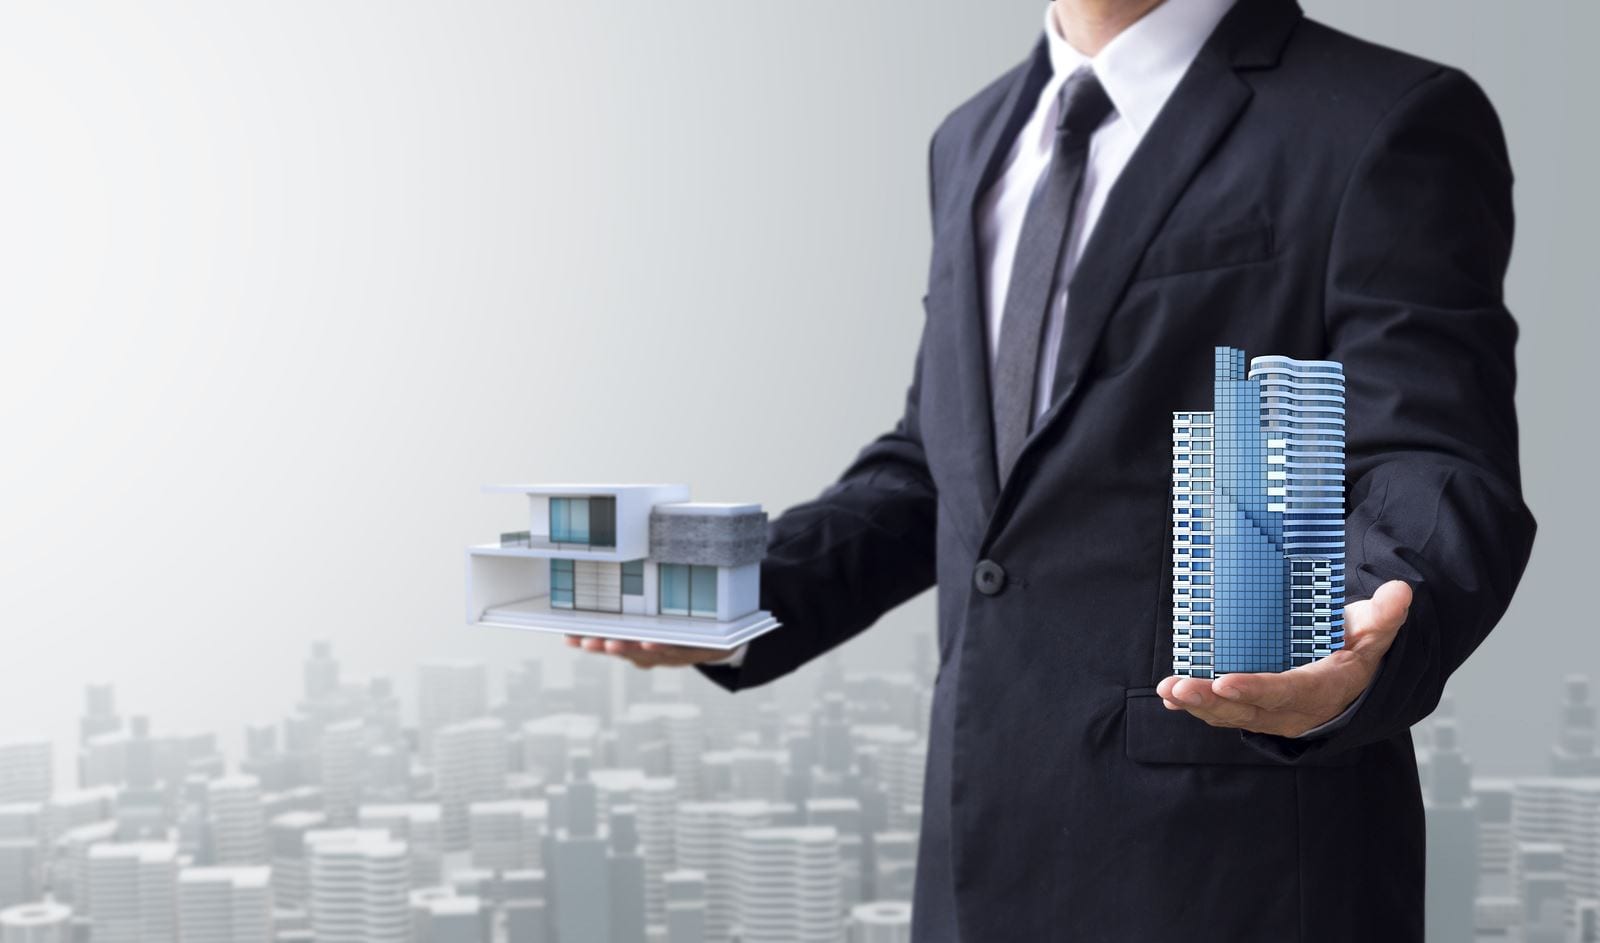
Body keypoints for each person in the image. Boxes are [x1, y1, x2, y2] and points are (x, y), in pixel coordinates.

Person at [567, 0, 1536, 938]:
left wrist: (1374, 625)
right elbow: (940, 470)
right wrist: (733, 590)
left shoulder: (1380, 118)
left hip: (1229, 861)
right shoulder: (971, 137)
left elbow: (1426, 444)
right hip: (979, 853)